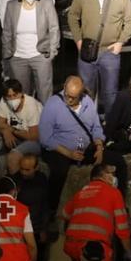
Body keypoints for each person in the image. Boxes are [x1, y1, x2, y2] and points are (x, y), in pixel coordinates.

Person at [39, 76, 109, 209]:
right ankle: (51, 210)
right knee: (59, 171)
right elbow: (45, 137)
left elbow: (96, 127)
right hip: (60, 148)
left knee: (115, 160)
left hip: (83, 145)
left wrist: (99, 146)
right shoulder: (53, 104)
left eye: (73, 97)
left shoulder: (87, 102)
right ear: (64, 88)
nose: (69, 99)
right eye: (67, 95)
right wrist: (69, 153)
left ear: (81, 94)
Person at [68, 0, 131, 114]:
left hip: (110, 53)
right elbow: (72, 15)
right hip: (87, 52)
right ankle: (86, 126)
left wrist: (120, 42)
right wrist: (78, 39)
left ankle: (110, 129)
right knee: (85, 93)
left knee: (110, 94)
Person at [61, 162, 131, 261]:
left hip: (72, 245)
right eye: (111, 174)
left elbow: (65, 214)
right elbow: (122, 228)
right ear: (103, 176)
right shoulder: (113, 193)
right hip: (96, 248)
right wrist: (128, 252)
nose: (113, 177)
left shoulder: (80, 193)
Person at [1, 0, 60, 104]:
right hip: (17, 57)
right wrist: (7, 55)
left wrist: (52, 52)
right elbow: (7, 32)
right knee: (21, 96)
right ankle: (25, 120)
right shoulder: (11, 5)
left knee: (45, 94)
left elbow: (54, 29)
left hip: (41, 56)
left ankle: (46, 120)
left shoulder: (47, 4)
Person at [0, 79, 43, 174]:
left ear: (21, 93)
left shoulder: (31, 105)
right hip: (18, 137)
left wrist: (11, 130)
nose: (13, 99)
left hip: (37, 142)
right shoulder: (4, 101)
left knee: (13, 157)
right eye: (9, 96)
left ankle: (15, 186)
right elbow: (0, 122)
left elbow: (33, 136)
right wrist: (5, 131)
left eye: (15, 95)